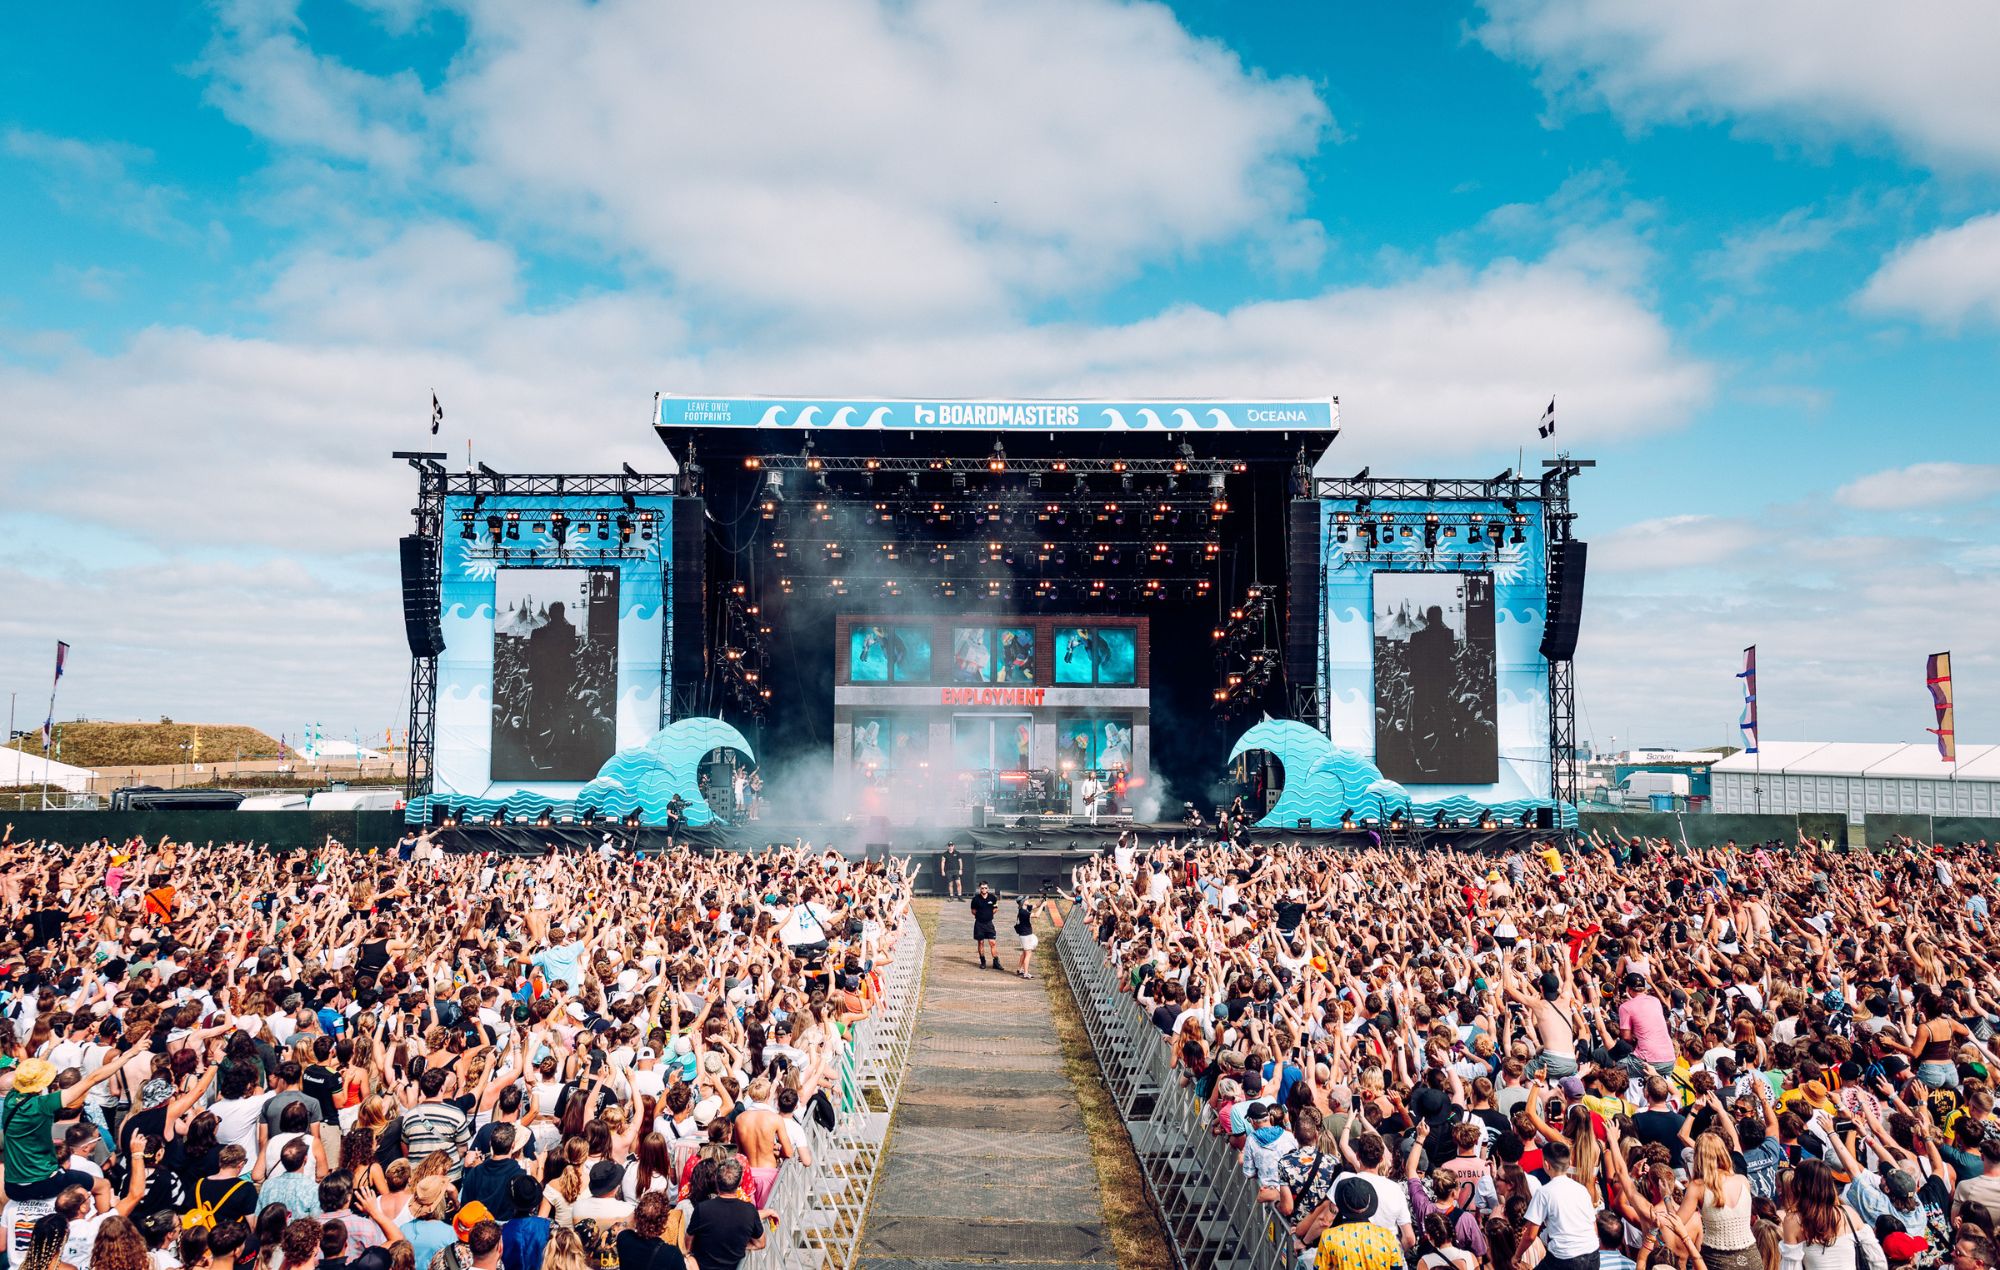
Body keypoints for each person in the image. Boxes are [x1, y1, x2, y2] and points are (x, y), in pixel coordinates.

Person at [683, 1159, 764, 1270]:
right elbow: (760, 1243)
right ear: (740, 1181)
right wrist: (739, 1246)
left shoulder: (702, 1209)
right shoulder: (749, 1210)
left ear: (716, 1179)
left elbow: (688, 1244)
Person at [968, 882, 1001, 971]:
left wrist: (988, 914)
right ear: (979, 889)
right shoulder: (975, 899)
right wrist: (981, 916)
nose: (984, 890)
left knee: (992, 942)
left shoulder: (993, 898)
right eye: (982, 888)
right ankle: (983, 962)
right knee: (981, 942)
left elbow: (995, 908)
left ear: (988, 888)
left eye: (985, 888)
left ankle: (996, 962)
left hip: (989, 924)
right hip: (979, 924)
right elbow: (973, 911)